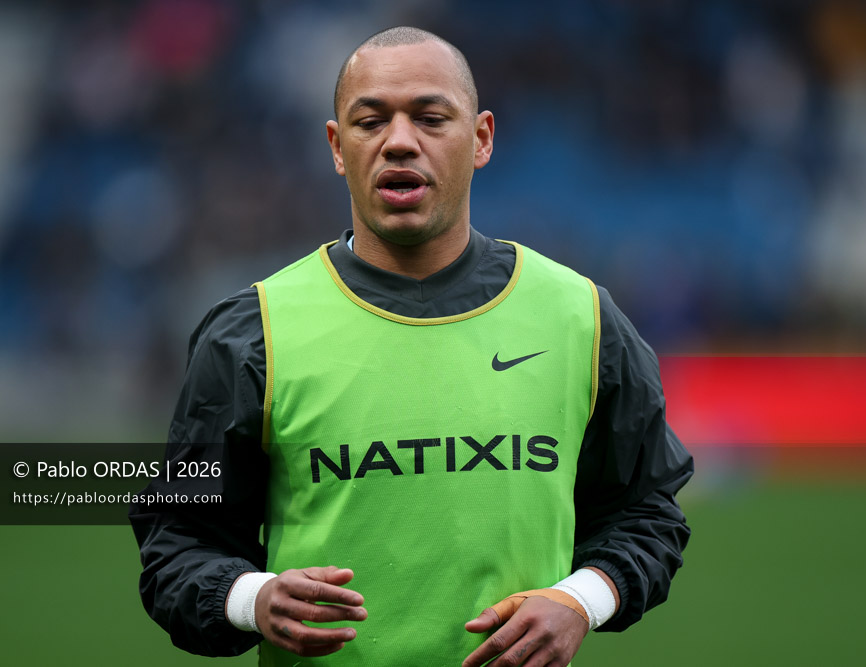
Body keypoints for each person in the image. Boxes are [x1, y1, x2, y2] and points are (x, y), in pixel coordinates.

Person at [131, 26, 692, 667]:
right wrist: (253, 597)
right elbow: (177, 544)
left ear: (480, 138)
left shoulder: (581, 318)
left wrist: (580, 599)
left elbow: (647, 513)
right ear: (338, 148)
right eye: (371, 122)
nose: (400, 141)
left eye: (430, 117)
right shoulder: (254, 332)